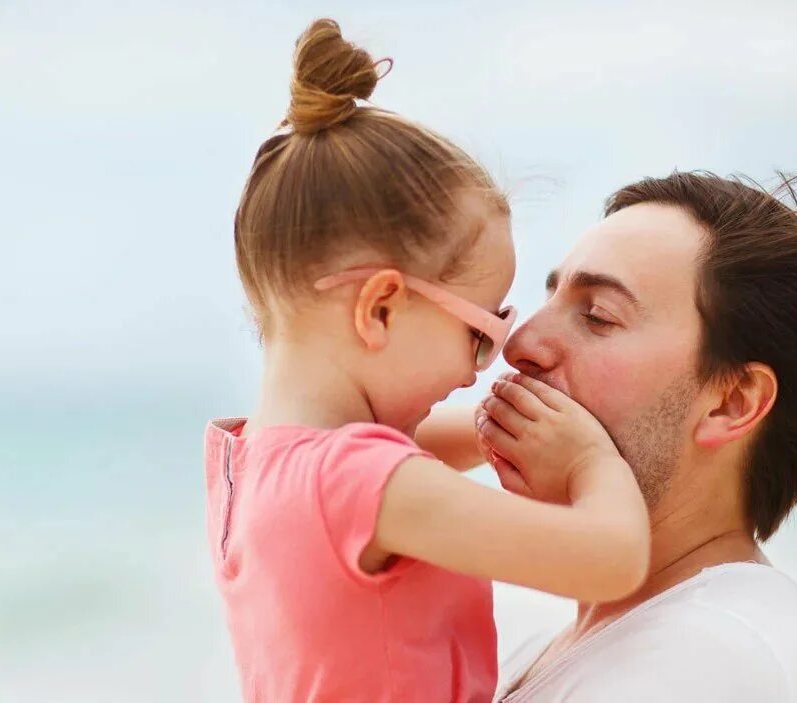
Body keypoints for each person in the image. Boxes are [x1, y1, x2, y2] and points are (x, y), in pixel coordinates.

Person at [204, 18, 651, 703]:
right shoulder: (364, 483)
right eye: (479, 332)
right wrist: (593, 458)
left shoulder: (245, 463)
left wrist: (502, 421)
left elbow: (403, 449)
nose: (481, 367)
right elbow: (610, 559)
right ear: (381, 307)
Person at [478, 172, 797, 702]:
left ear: (732, 402)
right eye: (549, 297)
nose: (521, 342)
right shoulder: (581, 647)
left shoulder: (705, 661)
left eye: (597, 316)